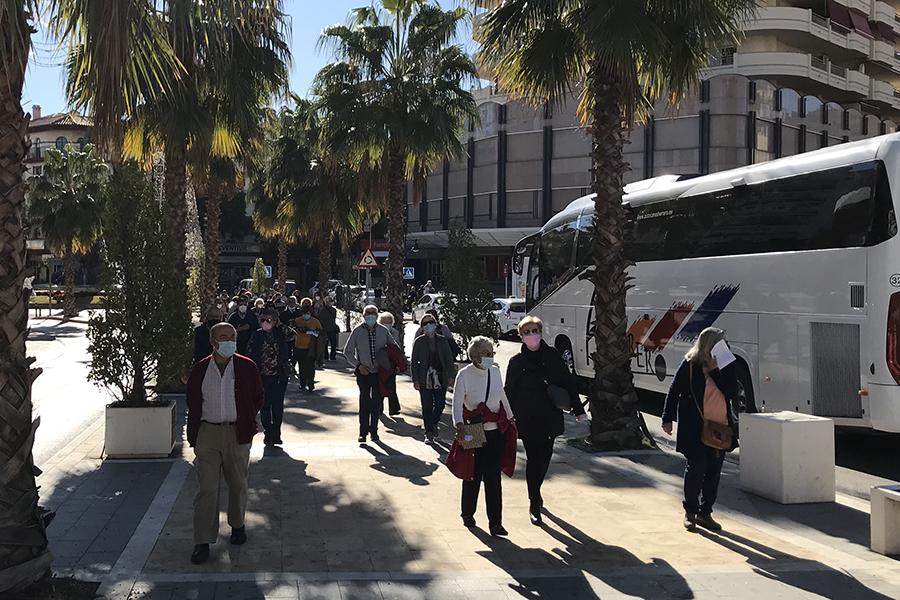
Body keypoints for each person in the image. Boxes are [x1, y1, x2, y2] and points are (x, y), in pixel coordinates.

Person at [186, 322, 264, 565]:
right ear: (213, 341)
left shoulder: (247, 366)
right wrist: (195, 434)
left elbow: (257, 397)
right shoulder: (200, 369)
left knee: (238, 483)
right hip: (208, 433)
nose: (229, 341)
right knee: (207, 489)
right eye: (223, 337)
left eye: (232, 336)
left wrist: (247, 420)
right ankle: (202, 541)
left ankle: (238, 525)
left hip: (237, 433)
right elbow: (193, 400)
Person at [504, 316, 588, 526]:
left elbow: (568, 383)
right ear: (521, 336)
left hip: (549, 415)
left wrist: (579, 409)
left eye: (535, 331)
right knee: (533, 459)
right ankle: (534, 502)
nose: (532, 335)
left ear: (541, 332)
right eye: (527, 332)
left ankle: (536, 490)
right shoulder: (516, 362)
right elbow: (509, 392)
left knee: (545, 458)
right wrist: (505, 417)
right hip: (527, 417)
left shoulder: (553, 356)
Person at [662, 326, 739, 533]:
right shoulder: (690, 364)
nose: (726, 346)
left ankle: (706, 513)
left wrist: (715, 372)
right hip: (695, 428)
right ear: (710, 345)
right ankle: (690, 513)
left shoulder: (726, 365)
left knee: (713, 472)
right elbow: (674, 391)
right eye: (721, 343)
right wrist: (667, 418)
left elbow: (732, 392)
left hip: (720, 428)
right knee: (696, 469)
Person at [451, 337, 516, 536]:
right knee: (472, 474)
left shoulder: (494, 371)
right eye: (487, 353)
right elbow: (456, 402)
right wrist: (459, 425)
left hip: (495, 430)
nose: (491, 356)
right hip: (472, 430)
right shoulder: (464, 375)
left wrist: (511, 417)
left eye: (492, 353)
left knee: (493, 478)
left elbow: (502, 395)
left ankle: (496, 523)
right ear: (475, 355)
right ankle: (467, 513)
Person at [344, 304, 398, 443]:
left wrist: (391, 364)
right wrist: (358, 365)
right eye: (368, 314)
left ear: (377, 315)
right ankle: (363, 432)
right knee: (365, 402)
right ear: (363, 316)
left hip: (379, 373)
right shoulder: (357, 331)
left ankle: (374, 431)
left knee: (376, 403)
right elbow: (347, 351)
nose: (371, 316)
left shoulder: (383, 331)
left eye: (373, 313)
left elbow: (394, 348)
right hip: (363, 372)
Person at [247, 308, 292, 445]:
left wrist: (279, 324)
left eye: (269, 320)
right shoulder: (256, 335)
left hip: (279, 375)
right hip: (262, 376)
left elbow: (293, 335)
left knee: (277, 406)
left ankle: (276, 433)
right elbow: (249, 352)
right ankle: (268, 432)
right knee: (265, 405)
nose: (265, 322)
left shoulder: (281, 333)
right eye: (262, 320)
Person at [410, 313, 454, 444]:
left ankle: (434, 422)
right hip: (425, 378)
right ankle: (428, 433)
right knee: (427, 406)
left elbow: (449, 359)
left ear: (435, 325)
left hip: (440, 377)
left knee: (440, 404)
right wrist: (415, 379)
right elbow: (414, 362)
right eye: (425, 324)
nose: (428, 325)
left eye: (431, 322)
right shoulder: (419, 341)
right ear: (422, 327)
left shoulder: (442, 340)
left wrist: (450, 376)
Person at [292, 298, 322, 392]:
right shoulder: (297, 320)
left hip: (310, 348)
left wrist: (309, 331)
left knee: (310, 367)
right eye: (304, 313)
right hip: (299, 346)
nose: (306, 315)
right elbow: (292, 330)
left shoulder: (315, 321)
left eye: (308, 313)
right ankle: (302, 383)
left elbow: (320, 333)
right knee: (302, 367)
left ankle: (311, 384)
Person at [377, 313, 402, 415]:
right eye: (385, 322)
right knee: (380, 387)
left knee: (391, 386)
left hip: (392, 364)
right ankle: (379, 409)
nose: (387, 325)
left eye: (389, 322)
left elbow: (397, 348)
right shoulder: (377, 332)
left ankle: (394, 409)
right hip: (379, 364)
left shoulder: (395, 333)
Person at [318, 296, 339, 362]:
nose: (328, 303)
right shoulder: (323, 310)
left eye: (329, 301)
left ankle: (331, 356)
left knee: (332, 343)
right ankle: (327, 356)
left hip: (330, 329)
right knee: (326, 344)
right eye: (327, 301)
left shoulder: (332, 310)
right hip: (326, 329)